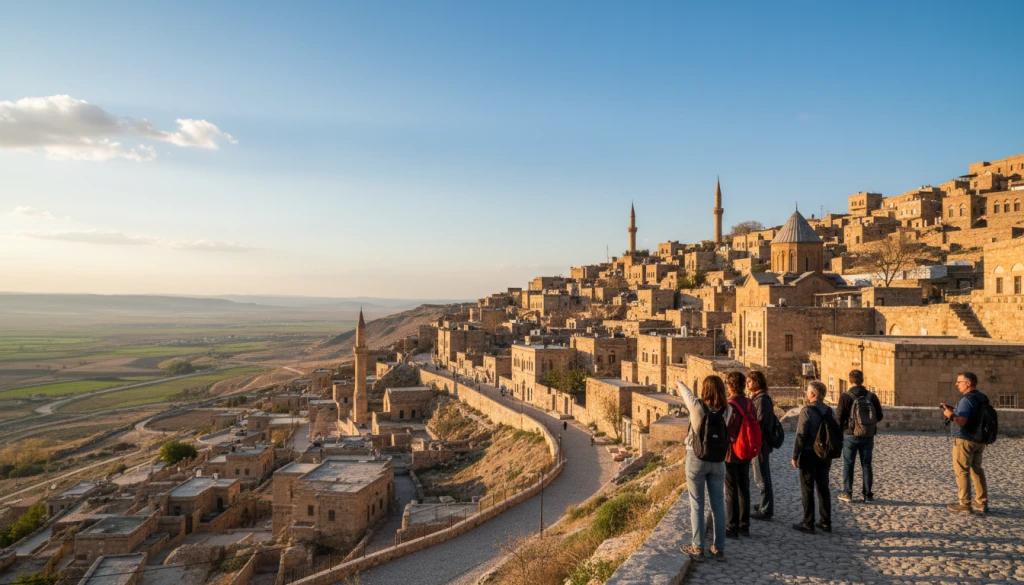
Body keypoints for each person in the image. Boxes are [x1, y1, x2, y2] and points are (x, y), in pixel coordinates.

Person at [677, 377, 730, 562]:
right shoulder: (727, 409)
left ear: (705, 389)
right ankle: (719, 548)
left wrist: (680, 383)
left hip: (696, 458)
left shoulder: (697, 407)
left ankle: (698, 548)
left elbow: (686, 394)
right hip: (718, 460)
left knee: (697, 504)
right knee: (718, 504)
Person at [941, 372, 989, 514]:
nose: (957, 384)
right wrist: (953, 410)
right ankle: (981, 502)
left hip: (964, 440)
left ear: (968, 383)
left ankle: (965, 504)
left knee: (962, 471)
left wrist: (950, 415)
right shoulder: (982, 397)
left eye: (959, 382)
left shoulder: (966, 400)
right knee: (977, 470)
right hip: (979, 440)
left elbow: (962, 422)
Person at [835, 369, 883, 503]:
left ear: (850, 381)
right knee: (866, 465)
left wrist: (842, 431)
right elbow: (879, 416)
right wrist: (867, 424)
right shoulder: (871, 396)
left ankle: (848, 493)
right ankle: (868, 495)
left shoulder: (845, 396)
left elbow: (839, 418)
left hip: (850, 434)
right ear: (862, 380)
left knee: (848, 464)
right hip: (867, 435)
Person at [792, 380, 833, 534]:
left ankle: (808, 523)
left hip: (809, 453)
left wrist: (795, 455)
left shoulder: (807, 411)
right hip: (825, 455)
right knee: (823, 488)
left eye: (808, 391)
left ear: (813, 394)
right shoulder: (829, 411)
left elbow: (801, 435)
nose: (807, 394)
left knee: (807, 489)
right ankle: (825, 522)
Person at [724, 371, 754, 538]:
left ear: (730, 386)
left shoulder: (730, 405)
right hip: (746, 451)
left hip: (732, 452)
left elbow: (728, 429)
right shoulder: (750, 403)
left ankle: (732, 526)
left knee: (731, 490)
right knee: (744, 487)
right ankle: (745, 525)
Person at [748, 370, 775, 520]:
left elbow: (760, 423)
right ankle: (764, 503)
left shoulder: (762, 400)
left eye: (750, 381)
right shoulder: (759, 398)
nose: (747, 384)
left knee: (762, 478)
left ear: (757, 382)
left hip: (760, 444)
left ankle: (765, 509)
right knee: (761, 476)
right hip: (760, 443)